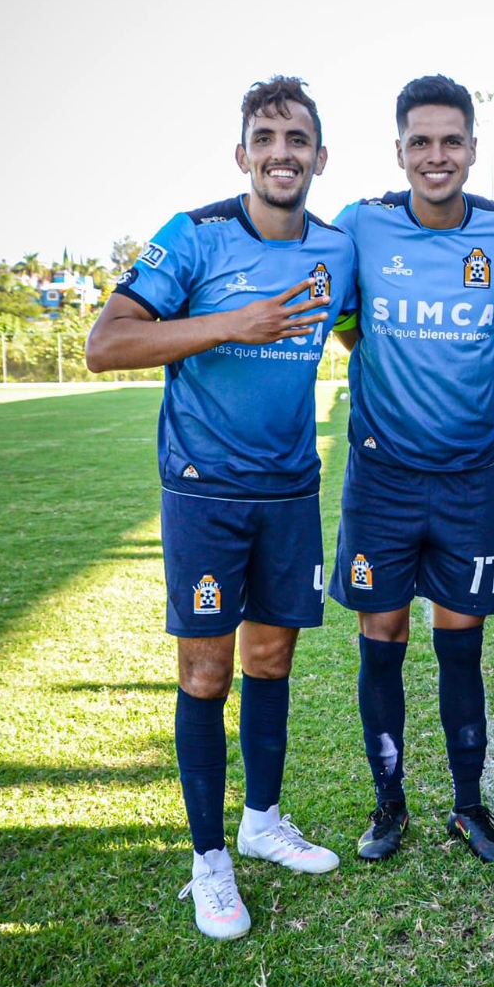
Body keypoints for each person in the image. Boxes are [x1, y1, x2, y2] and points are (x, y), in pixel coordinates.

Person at [84, 76, 356, 940]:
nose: (283, 153)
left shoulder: (337, 249)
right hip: (205, 491)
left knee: (271, 660)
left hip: (291, 488)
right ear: (242, 155)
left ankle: (263, 822)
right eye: (266, 139)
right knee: (207, 673)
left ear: (320, 156)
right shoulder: (193, 237)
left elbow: (356, 332)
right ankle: (209, 862)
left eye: (297, 139)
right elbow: (107, 341)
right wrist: (231, 323)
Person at [330, 75, 494, 866]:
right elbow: (349, 322)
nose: (436, 155)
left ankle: (469, 805)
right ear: (400, 150)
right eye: (421, 141)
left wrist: (477, 360)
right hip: (381, 479)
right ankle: (389, 802)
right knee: (382, 634)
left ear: (473, 149)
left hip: (467, 477)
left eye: (451, 141)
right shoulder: (361, 227)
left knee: (461, 642)